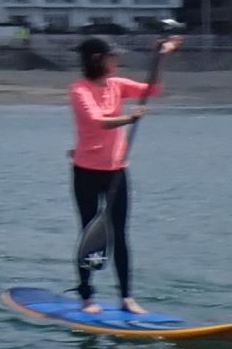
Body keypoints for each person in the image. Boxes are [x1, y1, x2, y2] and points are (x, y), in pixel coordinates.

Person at [68, 34, 179, 315]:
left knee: (120, 234)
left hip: (116, 171)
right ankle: (85, 296)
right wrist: (130, 118)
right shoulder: (79, 89)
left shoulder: (116, 85)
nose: (117, 61)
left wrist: (161, 56)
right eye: (112, 56)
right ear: (97, 60)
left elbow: (151, 89)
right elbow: (97, 121)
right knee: (90, 232)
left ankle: (127, 298)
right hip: (87, 172)